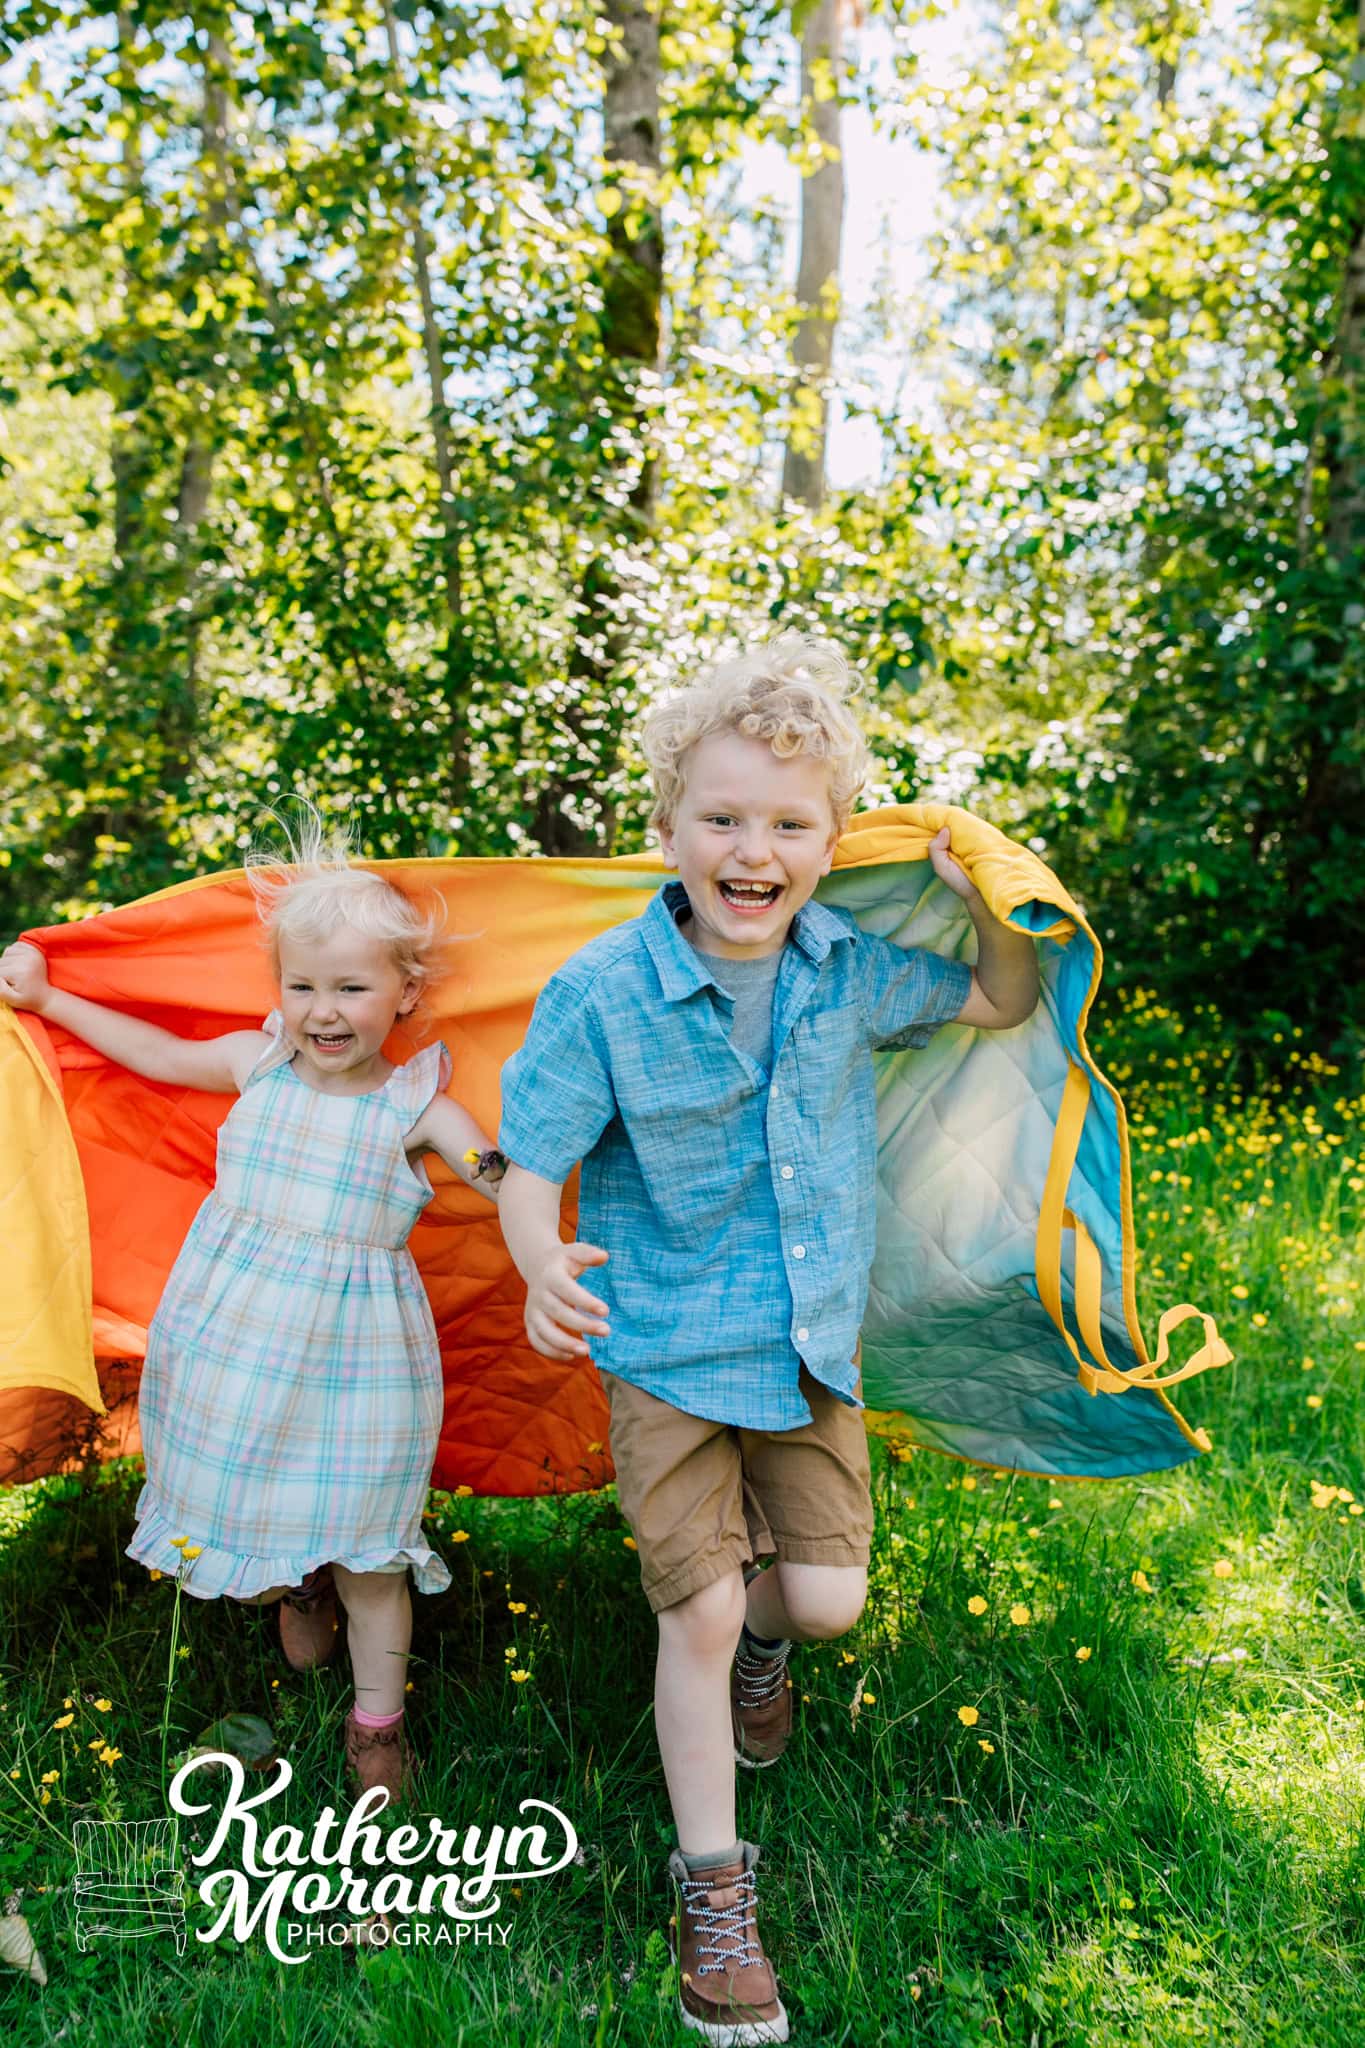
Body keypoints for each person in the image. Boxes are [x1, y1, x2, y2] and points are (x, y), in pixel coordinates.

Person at [496, 635, 1040, 2046]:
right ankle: (716, 1899)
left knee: (823, 1604)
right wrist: (541, 1257)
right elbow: (525, 1155)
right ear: (668, 828)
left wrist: (991, 899)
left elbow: (996, 1000)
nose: (753, 849)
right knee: (701, 1605)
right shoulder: (604, 992)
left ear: (828, 840)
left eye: (788, 825)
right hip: (666, 1349)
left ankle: (757, 1658)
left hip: (805, 1351)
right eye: (723, 819)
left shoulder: (851, 970)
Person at [0, 815, 504, 1800]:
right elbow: (148, 1051)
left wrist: (534, 1183)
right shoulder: (255, 1064)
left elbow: (500, 1174)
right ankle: (301, 1573)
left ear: (403, 993)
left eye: (351, 987)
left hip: (360, 1364)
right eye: (302, 984)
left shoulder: (418, 1109)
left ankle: (376, 1732)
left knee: (374, 1556)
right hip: (235, 1342)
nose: (322, 1010)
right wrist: (52, 994)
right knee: (260, 1495)